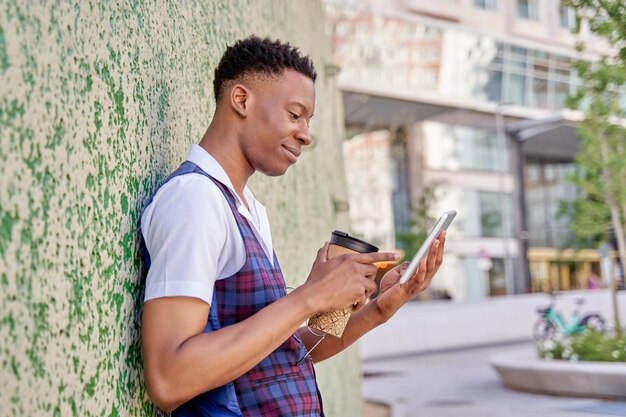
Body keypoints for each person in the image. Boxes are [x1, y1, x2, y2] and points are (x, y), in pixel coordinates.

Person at [140, 35, 447, 416]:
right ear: (241, 100)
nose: (306, 133)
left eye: (308, 120)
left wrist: (379, 309)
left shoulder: (247, 209)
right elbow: (169, 378)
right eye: (294, 114)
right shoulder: (195, 199)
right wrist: (309, 296)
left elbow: (277, 359)